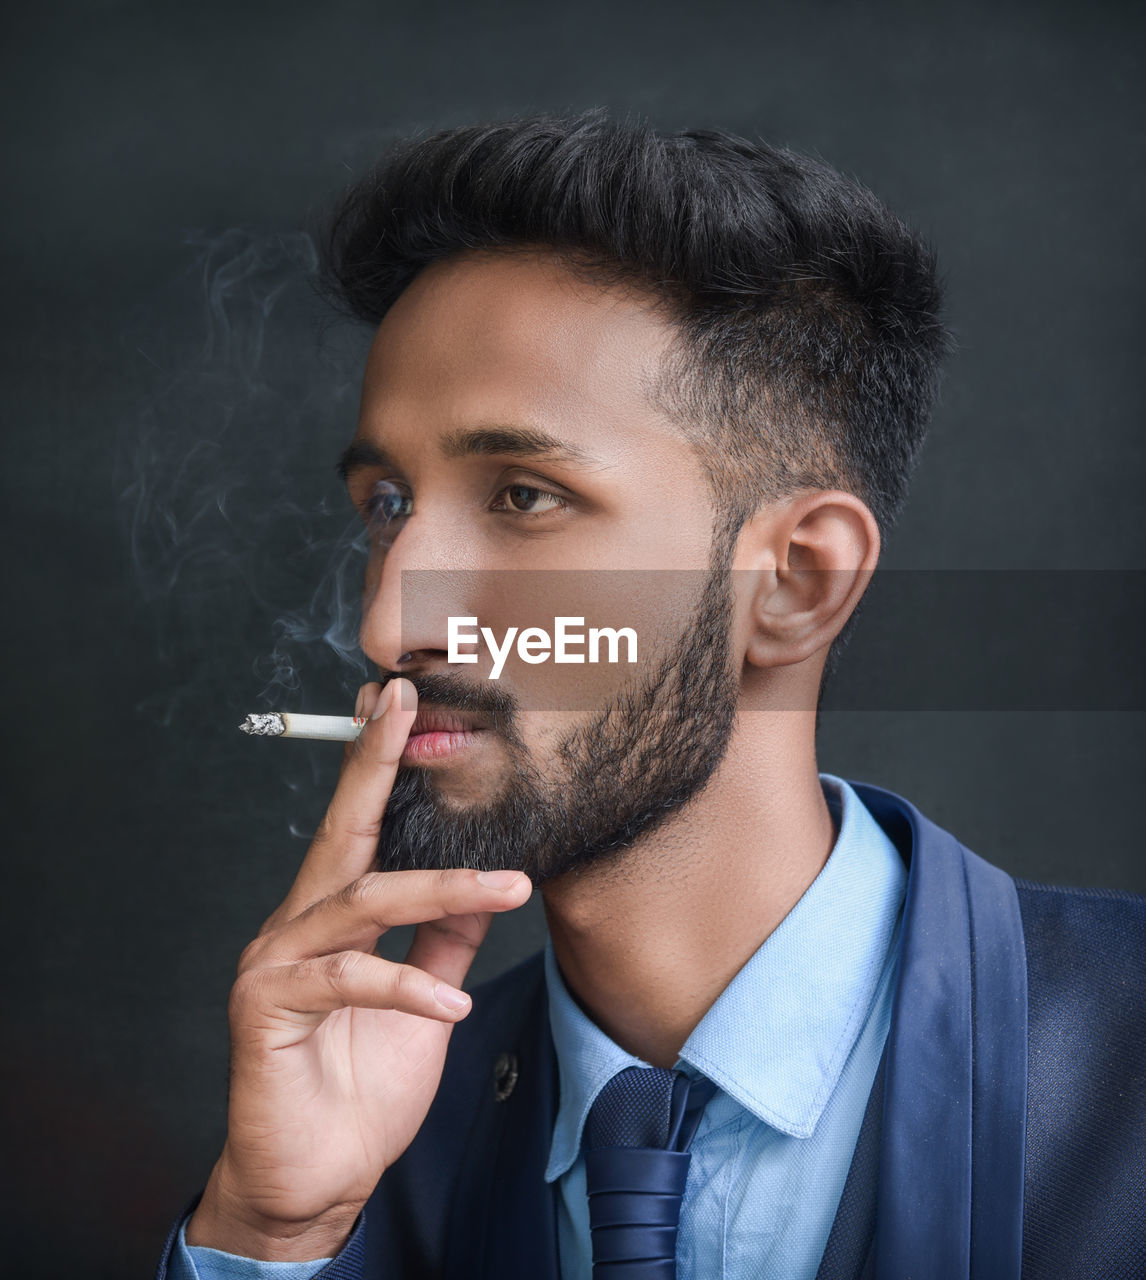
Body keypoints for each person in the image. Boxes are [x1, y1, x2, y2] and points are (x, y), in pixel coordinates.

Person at [156, 112, 1146, 1279]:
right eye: (387, 505)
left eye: (523, 496)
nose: (389, 625)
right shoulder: (370, 1138)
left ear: (793, 581)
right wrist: (272, 1239)